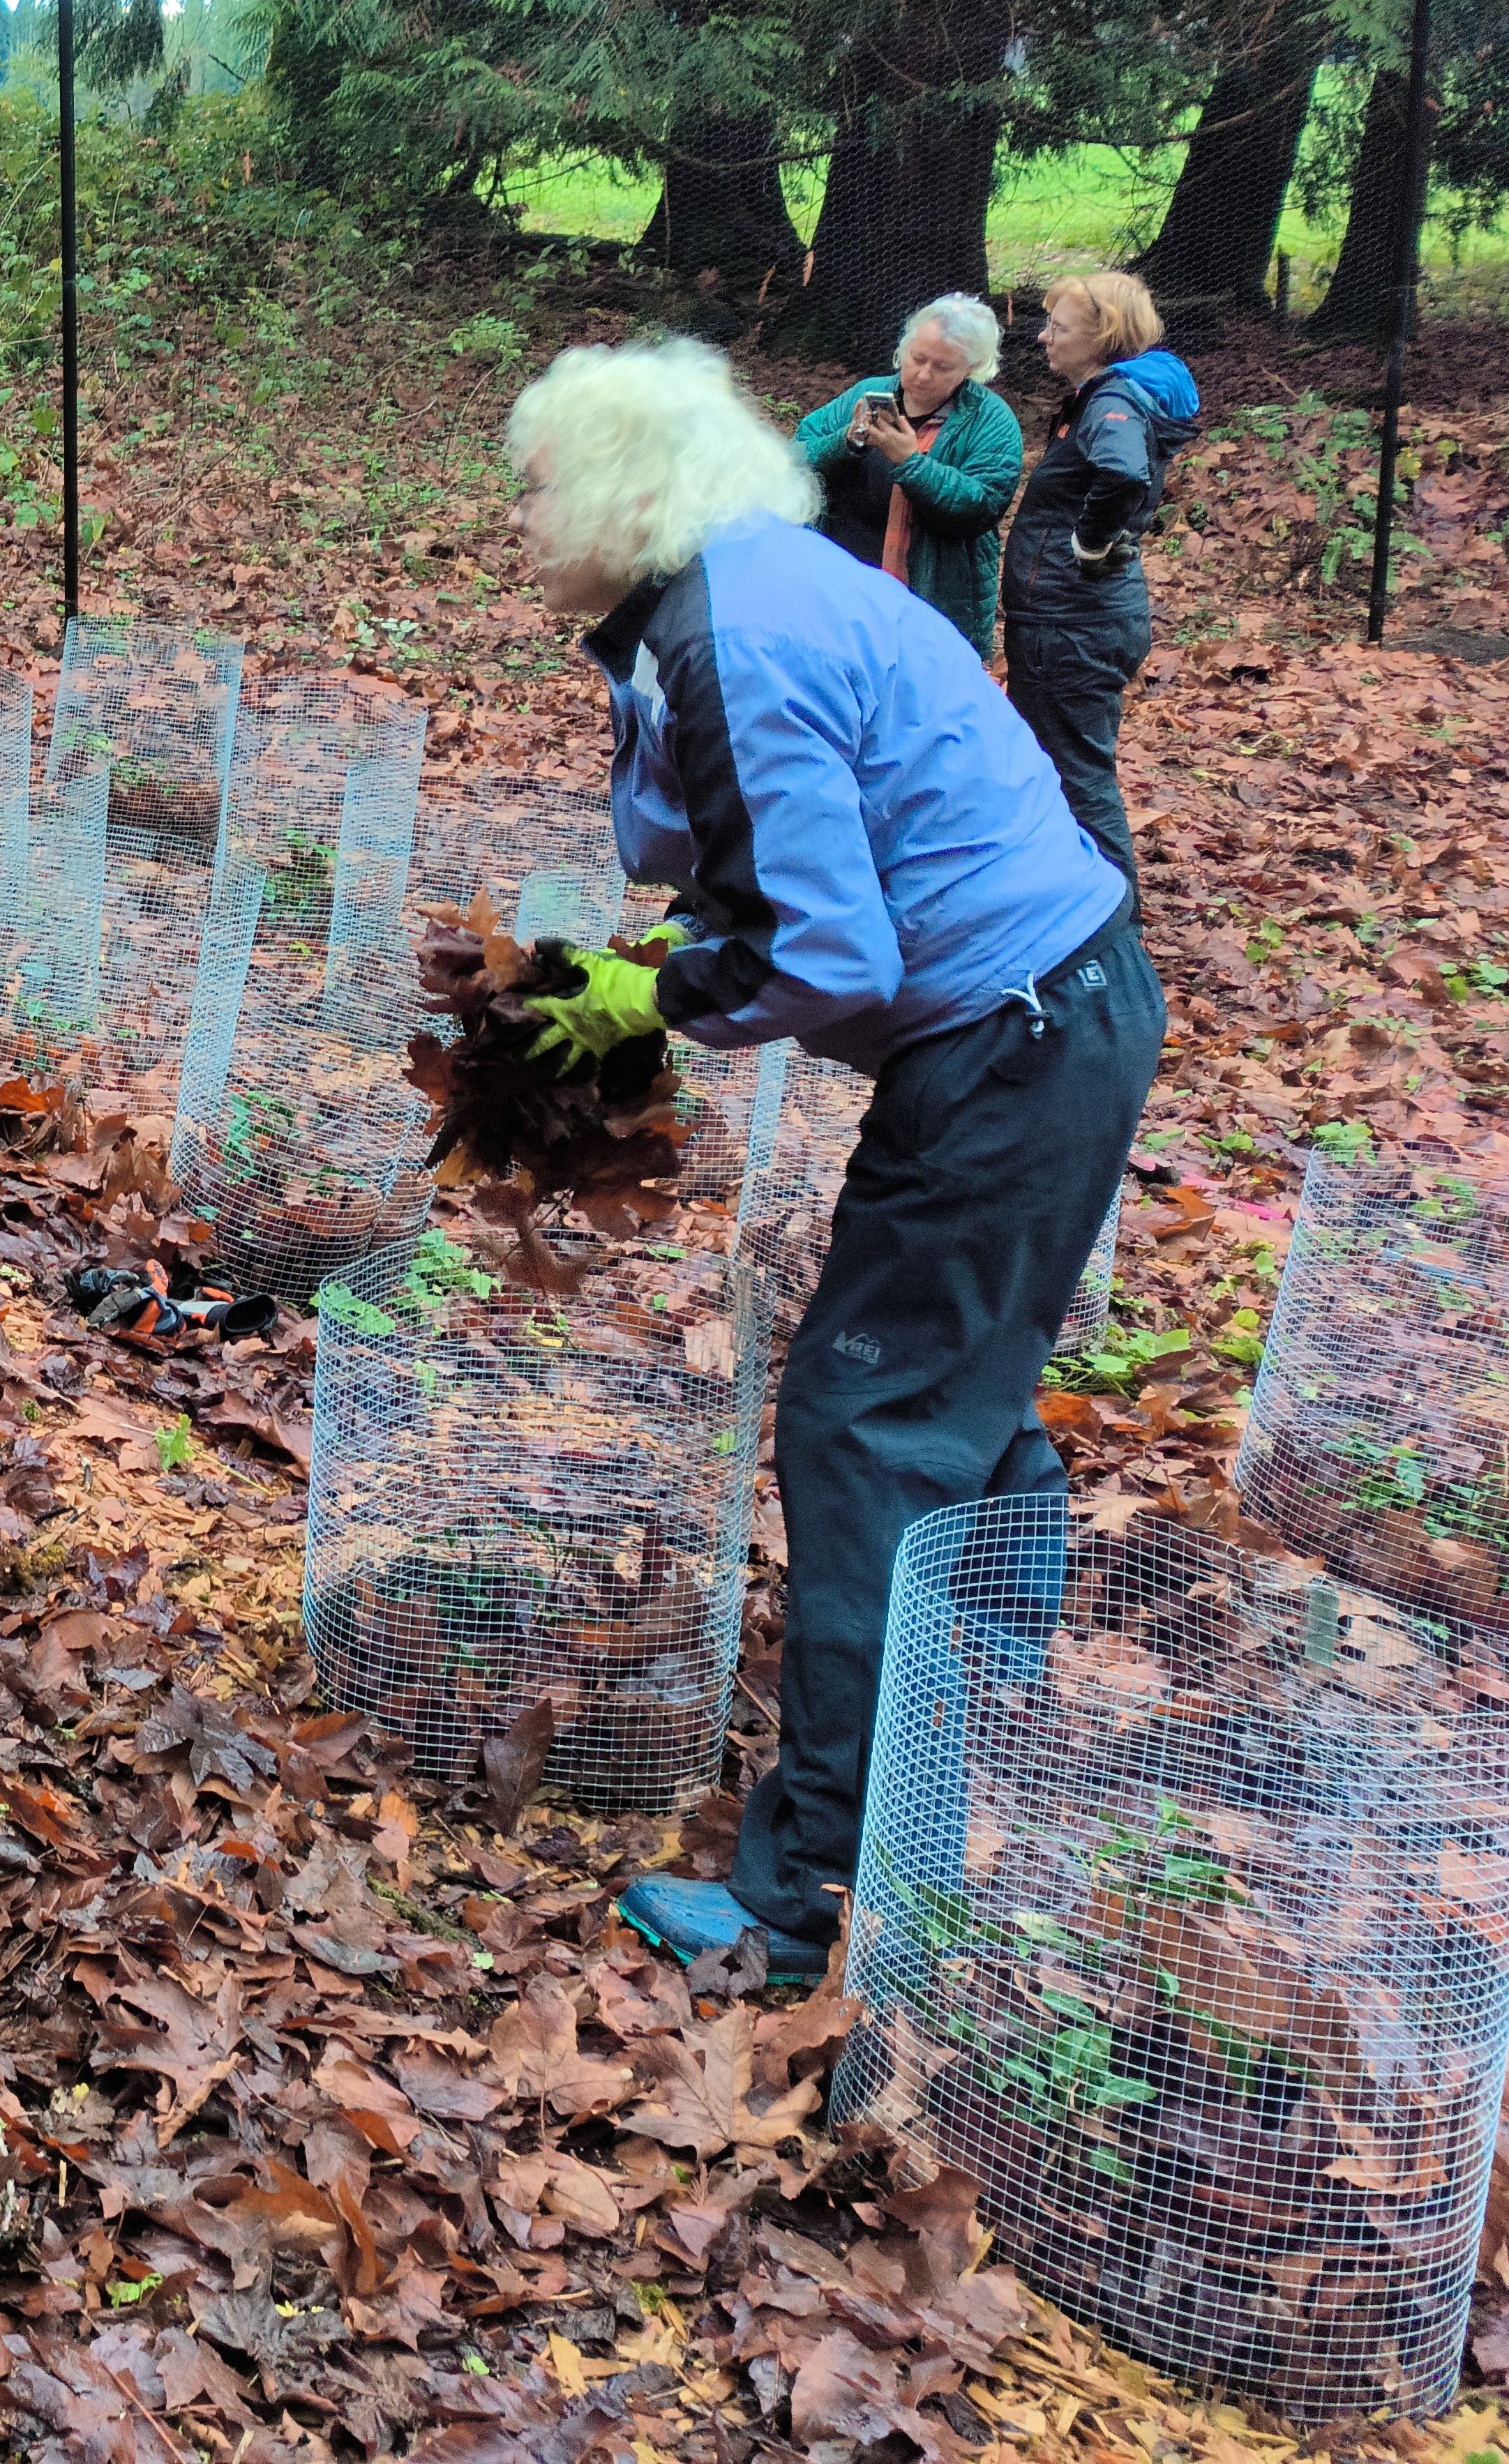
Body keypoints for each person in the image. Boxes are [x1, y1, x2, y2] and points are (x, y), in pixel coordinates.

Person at [502, 340, 1162, 1986]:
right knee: (958, 1395)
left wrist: (644, 994)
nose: (516, 517)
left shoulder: (736, 631)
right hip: (1063, 1006)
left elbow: (831, 951)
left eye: (534, 484)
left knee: (863, 1419)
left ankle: (808, 1901)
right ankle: (976, 1736)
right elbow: (725, 847)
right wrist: (661, 940)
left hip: (1006, 1040)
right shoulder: (732, 596)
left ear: (615, 491)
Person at [1008, 271, 1195, 903]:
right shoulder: (1112, 398)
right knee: (1063, 767)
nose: (1043, 337)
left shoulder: (1112, 403)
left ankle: (1114, 927)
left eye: (1058, 327)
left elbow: (1122, 476)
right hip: (1073, 617)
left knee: (1078, 776)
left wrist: (1088, 542)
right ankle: (1071, 905)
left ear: (1102, 334)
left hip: (1073, 622)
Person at [788, 293, 1025, 659]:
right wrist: (847, 441)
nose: (923, 374)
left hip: (929, 603)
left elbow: (980, 507)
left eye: (943, 367)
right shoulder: (870, 394)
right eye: (918, 358)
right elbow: (795, 458)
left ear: (971, 367)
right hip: (839, 589)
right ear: (904, 349)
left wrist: (911, 463)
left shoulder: (991, 421)